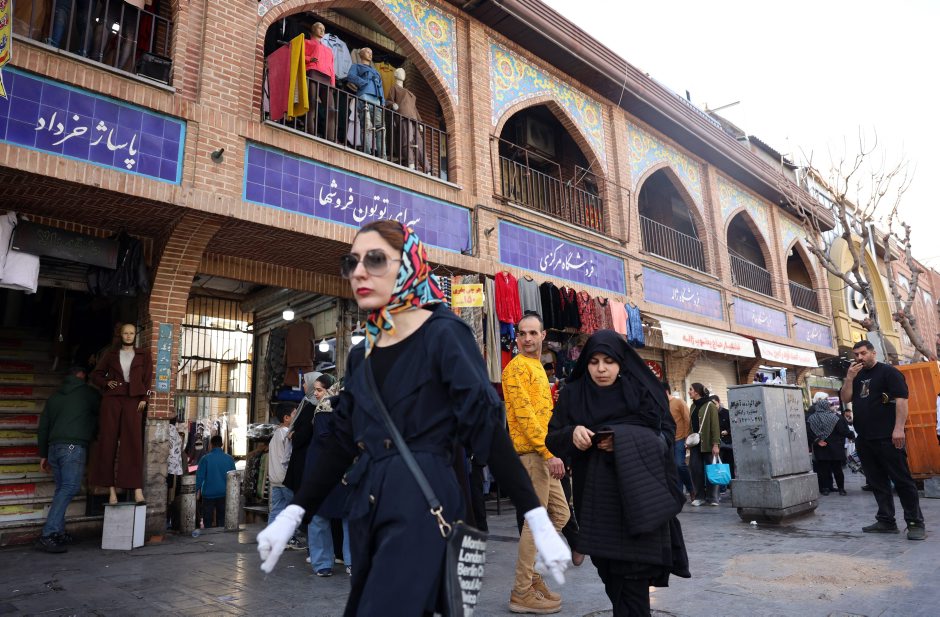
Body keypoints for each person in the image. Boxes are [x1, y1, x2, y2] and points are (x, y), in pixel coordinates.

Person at [256, 221, 570, 615]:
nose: (359, 272)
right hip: (369, 506)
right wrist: (294, 511)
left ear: (407, 264)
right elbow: (340, 440)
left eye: (374, 260)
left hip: (424, 501)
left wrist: (536, 516)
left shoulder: (445, 334)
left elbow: (486, 428)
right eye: (352, 262)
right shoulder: (363, 353)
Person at [547, 330, 690, 616]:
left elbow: (665, 435)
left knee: (634, 578)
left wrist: (622, 440)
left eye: (609, 361)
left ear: (621, 362)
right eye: (594, 362)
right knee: (610, 573)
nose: (601, 369)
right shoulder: (574, 394)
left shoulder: (642, 391)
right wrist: (571, 433)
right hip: (596, 502)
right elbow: (552, 438)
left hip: (639, 500)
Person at [503, 313, 571, 614]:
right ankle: (521, 591)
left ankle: (530, 577)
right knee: (537, 522)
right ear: (517, 337)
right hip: (534, 455)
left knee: (561, 513)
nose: (527, 338)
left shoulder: (538, 368)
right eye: (522, 333)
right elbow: (525, 417)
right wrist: (548, 453)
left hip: (544, 453)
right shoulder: (516, 368)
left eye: (533, 333)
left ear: (543, 335)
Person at [841, 340, 925, 540]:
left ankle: (915, 523)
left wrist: (898, 429)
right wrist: (849, 378)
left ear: (873, 353)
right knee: (877, 482)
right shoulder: (856, 376)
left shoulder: (889, 373)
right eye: (856, 355)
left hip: (888, 437)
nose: (859, 358)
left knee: (902, 481)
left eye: (863, 353)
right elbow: (845, 398)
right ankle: (886, 520)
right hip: (865, 439)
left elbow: (902, 401)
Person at [35, 366, 100, 553]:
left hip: (54, 448)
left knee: (61, 489)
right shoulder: (89, 394)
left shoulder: (54, 397)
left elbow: (43, 427)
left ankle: (58, 532)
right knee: (70, 488)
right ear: (82, 375)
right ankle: (48, 534)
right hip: (73, 447)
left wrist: (43, 454)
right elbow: (102, 414)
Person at [89, 323, 152, 505]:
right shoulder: (110, 354)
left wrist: (144, 398)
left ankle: (136, 489)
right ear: (121, 335)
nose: (129, 335)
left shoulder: (143, 354)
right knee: (108, 441)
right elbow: (96, 375)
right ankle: (111, 491)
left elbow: (148, 378)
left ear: (135, 335)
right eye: (125, 333)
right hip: (112, 399)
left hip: (133, 400)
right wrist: (106, 382)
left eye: (131, 333)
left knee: (133, 442)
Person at [304, 373, 354, 578]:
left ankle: (353, 561)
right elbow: (325, 438)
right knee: (320, 515)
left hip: (347, 468)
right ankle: (323, 562)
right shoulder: (325, 408)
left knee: (349, 515)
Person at [806, 393, 851, 496]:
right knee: (837, 469)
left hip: (821, 448)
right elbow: (843, 430)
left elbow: (809, 432)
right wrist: (851, 435)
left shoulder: (811, 418)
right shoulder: (836, 417)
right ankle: (841, 489)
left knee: (823, 470)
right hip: (835, 448)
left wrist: (817, 440)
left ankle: (825, 488)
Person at [346, 48, 386, 157]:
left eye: (371, 53)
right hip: (364, 96)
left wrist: (382, 101)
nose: (370, 54)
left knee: (381, 128)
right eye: (368, 52)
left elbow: (381, 86)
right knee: (366, 125)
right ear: (361, 54)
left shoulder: (376, 72)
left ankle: (383, 155)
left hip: (377, 100)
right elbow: (350, 76)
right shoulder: (357, 66)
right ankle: (367, 152)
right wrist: (363, 83)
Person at [687, 383, 720, 506]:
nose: (689, 392)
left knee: (711, 470)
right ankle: (699, 497)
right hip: (695, 444)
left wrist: (715, 444)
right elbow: (691, 426)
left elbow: (715, 426)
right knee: (695, 470)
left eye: (691, 389)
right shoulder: (692, 406)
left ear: (697, 391)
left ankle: (713, 498)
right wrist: (688, 440)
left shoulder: (710, 405)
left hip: (708, 444)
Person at [196, 435, 236, 528]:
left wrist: (194, 490)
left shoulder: (205, 459)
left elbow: (199, 478)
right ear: (222, 444)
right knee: (221, 520)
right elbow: (233, 478)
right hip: (224, 493)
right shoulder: (229, 459)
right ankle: (220, 535)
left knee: (207, 521)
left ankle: (208, 535)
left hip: (208, 495)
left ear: (211, 445)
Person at [665, 382, 693, 498]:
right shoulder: (660, 404)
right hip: (667, 440)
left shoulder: (679, 402)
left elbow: (687, 419)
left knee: (679, 464)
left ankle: (691, 489)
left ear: (666, 391)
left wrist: (687, 438)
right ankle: (679, 494)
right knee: (673, 468)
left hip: (680, 438)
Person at [268, 403, 295, 522]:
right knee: (294, 509)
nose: (297, 416)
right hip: (286, 479)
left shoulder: (276, 434)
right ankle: (292, 533)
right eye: (295, 414)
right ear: (286, 418)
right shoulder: (287, 434)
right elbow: (290, 456)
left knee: (276, 511)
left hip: (275, 479)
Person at [711, 394, 735, 483]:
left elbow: (733, 425)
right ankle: (722, 483)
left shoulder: (726, 413)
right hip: (717, 443)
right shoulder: (711, 415)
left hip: (728, 443)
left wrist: (727, 431)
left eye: (715, 404)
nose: (714, 406)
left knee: (729, 463)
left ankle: (730, 482)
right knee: (719, 464)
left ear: (719, 402)